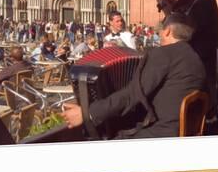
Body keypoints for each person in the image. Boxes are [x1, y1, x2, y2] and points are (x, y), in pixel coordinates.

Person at [62, 13, 206, 138]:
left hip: (162, 134)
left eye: (161, 31)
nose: (159, 35)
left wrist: (88, 113)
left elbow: (134, 94)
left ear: (167, 31)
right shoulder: (196, 58)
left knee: (108, 139)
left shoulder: (163, 54)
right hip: (185, 132)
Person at [157, 0, 218, 113]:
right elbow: (176, 12)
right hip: (190, 64)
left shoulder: (205, 1)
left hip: (199, 68)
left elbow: (182, 32)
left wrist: (168, 11)